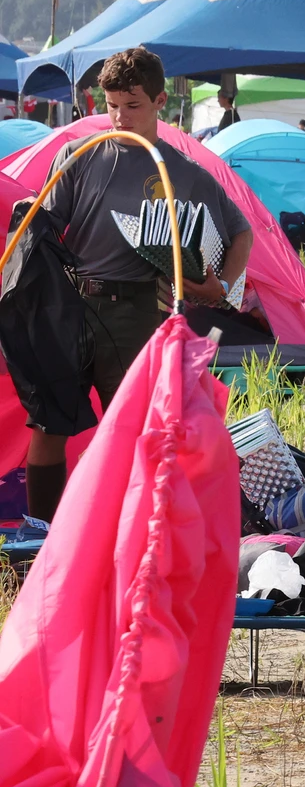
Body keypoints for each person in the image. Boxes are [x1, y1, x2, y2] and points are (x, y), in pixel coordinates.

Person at [19, 46, 254, 525]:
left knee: (134, 431)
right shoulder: (78, 156)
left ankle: (127, 539)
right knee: (48, 425)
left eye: (133, 105)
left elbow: (241, 231)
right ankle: (40, 543)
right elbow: (44, 231)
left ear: (160, 101)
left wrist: (221, 287)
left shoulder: (182, 171)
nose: (120, 117)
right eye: (110, 106)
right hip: (73, 305)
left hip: (138, 312)